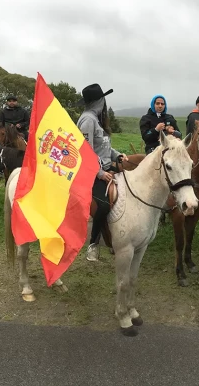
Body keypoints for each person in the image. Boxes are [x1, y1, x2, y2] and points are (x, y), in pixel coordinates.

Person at [76, 83, 128, 262]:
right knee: (104, 205)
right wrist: (99, 173)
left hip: (105, 166)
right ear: (98, 101)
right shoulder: (88, 120)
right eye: (102, 100)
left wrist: (118, 154)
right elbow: (85, 152)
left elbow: (103, 146)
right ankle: (93, 245)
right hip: (92, 172)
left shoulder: (96, 119)